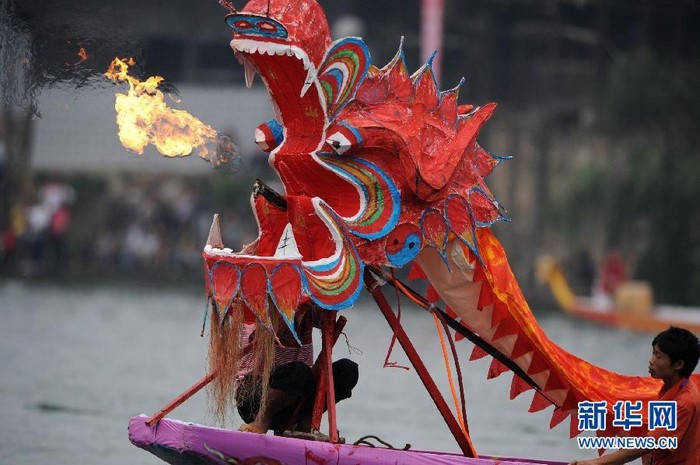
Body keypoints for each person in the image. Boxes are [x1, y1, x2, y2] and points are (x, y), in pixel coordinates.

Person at [571, 326, 700, 465]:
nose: (651, 360)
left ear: (678, 364)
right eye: (653, 353)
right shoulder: (672, 388)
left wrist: (596, 462)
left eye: (659, 356)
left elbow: (647, 445)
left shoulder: (684, 403)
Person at [235, 302, 358, 436]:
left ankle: (305, 423)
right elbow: (260, 332)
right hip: (253, 399)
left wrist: (328, 297)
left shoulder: (306, 306)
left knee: (347, 370)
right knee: (299, 372)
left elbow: (324, 315)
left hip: (298, 398)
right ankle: (261, 421)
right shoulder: (257, 301)